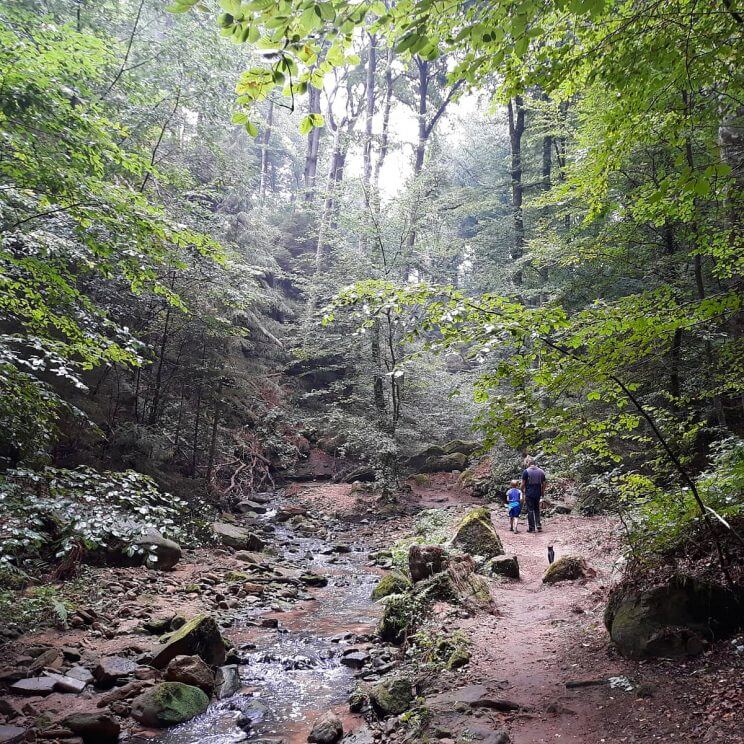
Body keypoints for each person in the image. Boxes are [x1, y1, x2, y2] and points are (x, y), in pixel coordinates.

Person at [521, 456, 546, 533]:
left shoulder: (526, 471)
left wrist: (522, 491)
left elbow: (523, 484)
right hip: (537, 493)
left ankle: (531, 528)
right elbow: (544, 483)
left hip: (529, 493)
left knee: (530, 510)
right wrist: (542, 492)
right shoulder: (541, 471)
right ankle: (538, 525)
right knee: (537, 509)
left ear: (528, 463)